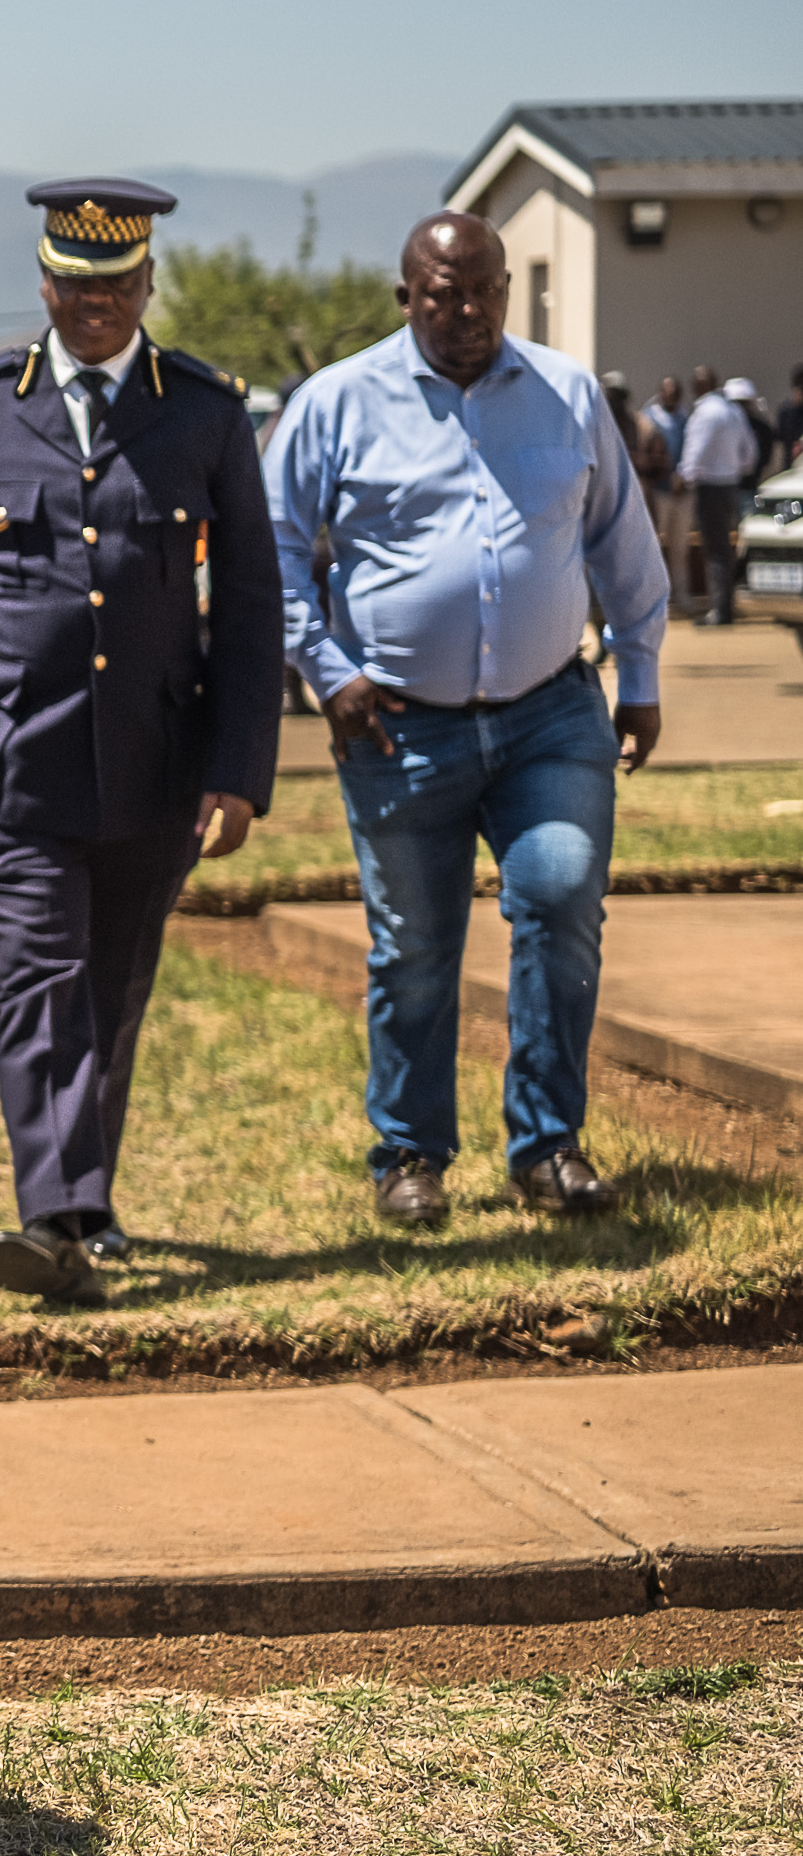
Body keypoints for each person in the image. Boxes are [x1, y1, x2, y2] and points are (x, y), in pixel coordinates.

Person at [0, 178, 282, 1307]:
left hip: (153, 762)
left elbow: (249, 608)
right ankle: (49, 1214)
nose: (91, 305)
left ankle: (85, 1202)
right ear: (44, 284)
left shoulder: (203, 412)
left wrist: (235, 772)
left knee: (111, 990)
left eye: (113, 286)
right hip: (7, 761)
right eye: (71, 284)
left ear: (146, 283)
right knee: (39, 981)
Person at [266, 211, 666, 1223]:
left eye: (483, 289)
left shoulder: (563, 391)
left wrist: (643, 673)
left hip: (549, 715)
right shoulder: (335, 402)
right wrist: (327, 669)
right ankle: (408, 1155)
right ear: (406, 297)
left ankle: (544, 1145)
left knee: (559, 893)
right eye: (442, 293)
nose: (466, 310)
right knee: (411, 949)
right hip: (399, 729)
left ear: (502, 290)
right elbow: (263, 551)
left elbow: (621, 540)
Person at [677, 367, 757, 624]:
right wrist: (734, 470)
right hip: (729, 485)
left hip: (710, 486)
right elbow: (750, 454)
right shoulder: (733, 411)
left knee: (714, 550)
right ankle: (724, 607)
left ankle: (720, 611)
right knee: (723, 549)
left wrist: (685, 476)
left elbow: (695, 449)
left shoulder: (706, 412)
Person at [641, 373, 696, 610]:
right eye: (667, 392)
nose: (670, 397)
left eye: (675, 393)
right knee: (652, 546)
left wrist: (683, 476)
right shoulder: (649, 418)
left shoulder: (686, 420)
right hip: (658, 492)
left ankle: (681, 595)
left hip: (682, 492)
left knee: (679, 548)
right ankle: (652, 598)